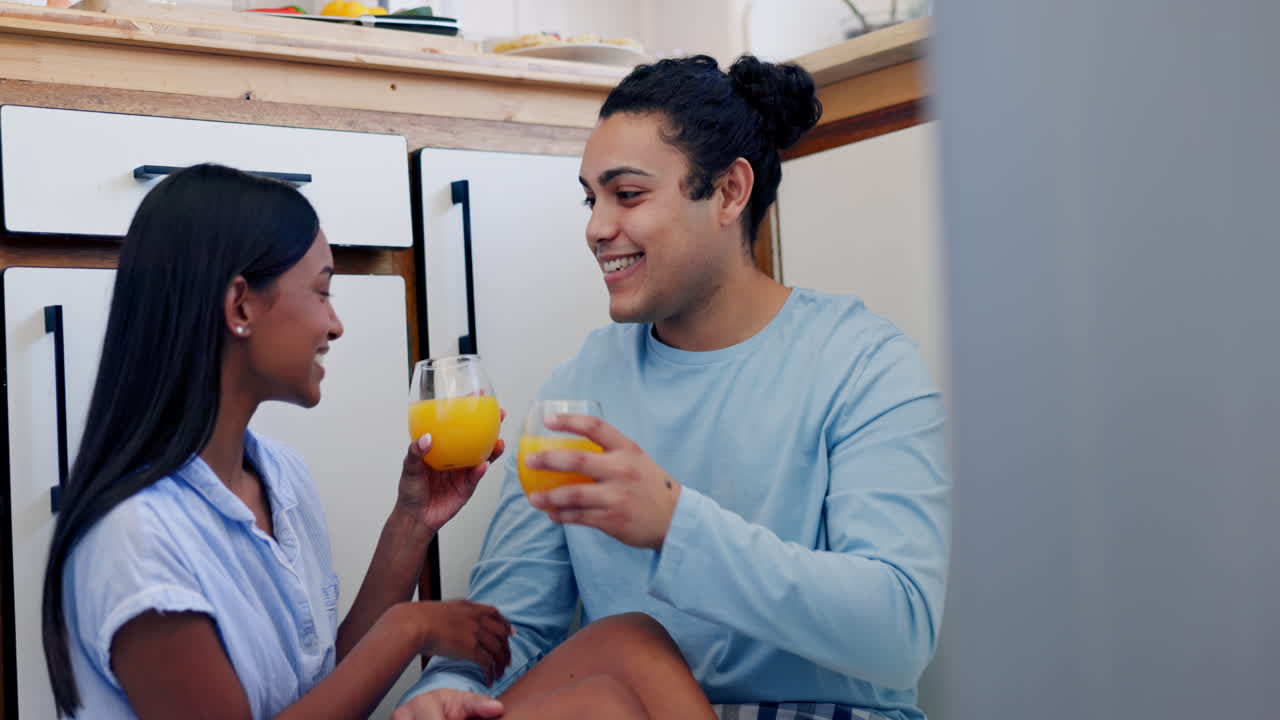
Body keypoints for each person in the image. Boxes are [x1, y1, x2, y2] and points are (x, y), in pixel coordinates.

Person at [398, 54, 951, 720]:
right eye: (590, 198)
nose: (596, 227)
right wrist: (442, 695)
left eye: (626, 194)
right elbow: (506, 629)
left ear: (727, 192)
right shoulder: (578, 387)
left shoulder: (863, 365)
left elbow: (899, 635)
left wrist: (674, 525)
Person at [40, 164, 514, 719]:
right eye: (322, 291)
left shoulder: (280, 477)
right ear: (241, 305)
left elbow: (323, 693)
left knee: (616, 650)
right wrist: (411, 627)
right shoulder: (136, 542)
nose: (335, 326)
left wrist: (412, 523)